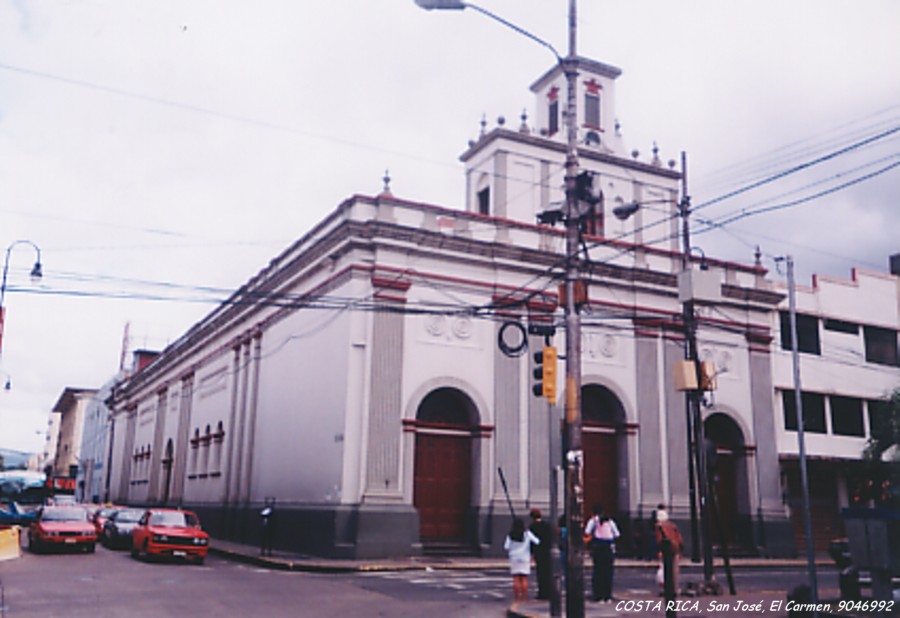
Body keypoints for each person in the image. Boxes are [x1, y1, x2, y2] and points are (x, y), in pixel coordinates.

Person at [583, 503, 620, 602]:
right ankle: (607, 595)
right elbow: (617, 534)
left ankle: (598, 595)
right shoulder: (610, 521)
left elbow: (587, 532)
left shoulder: (593, 521)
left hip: (598, 547)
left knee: (598, 571)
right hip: (608, 547)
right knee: (608, 572)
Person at [504, 517, 539, 603]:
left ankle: (517, 598)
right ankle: (523, 598)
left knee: (516, 578)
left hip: (514, 557)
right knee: (524, 578)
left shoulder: (511, 535)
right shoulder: (527, 534)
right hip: (525, 557)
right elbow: (537, 541)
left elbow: (506, 547)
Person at [655, 505, 684, 594]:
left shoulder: (659, 526)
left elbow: (659, 538)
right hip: (675, 547)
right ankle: (674, 588)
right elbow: (679, 538)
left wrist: (659, 551)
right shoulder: (672, 525)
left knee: (666, 569)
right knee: (675, 570)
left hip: (666, 548)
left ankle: (668, 589)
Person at [528, 508, 552, 600]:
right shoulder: (547, 525)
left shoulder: (532, 527)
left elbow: (532, 542)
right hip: (547, 551)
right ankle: (549, 592)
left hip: (539, 552)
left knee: (541, 573)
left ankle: (542, 592)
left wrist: (532, 553)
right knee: (548, 572)